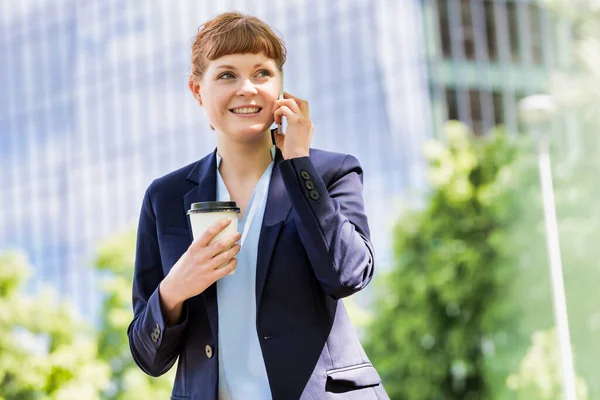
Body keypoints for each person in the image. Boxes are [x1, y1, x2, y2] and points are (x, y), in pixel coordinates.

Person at [127, 11, 389, 400]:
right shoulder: (164, 198)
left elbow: (348, 276)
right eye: (227, 75)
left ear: (281, 86)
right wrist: (173, 291)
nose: (247, 88)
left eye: (262, 73)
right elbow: (149, 356)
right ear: (197, 89)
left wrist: (300, 165)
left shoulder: (331, 172)